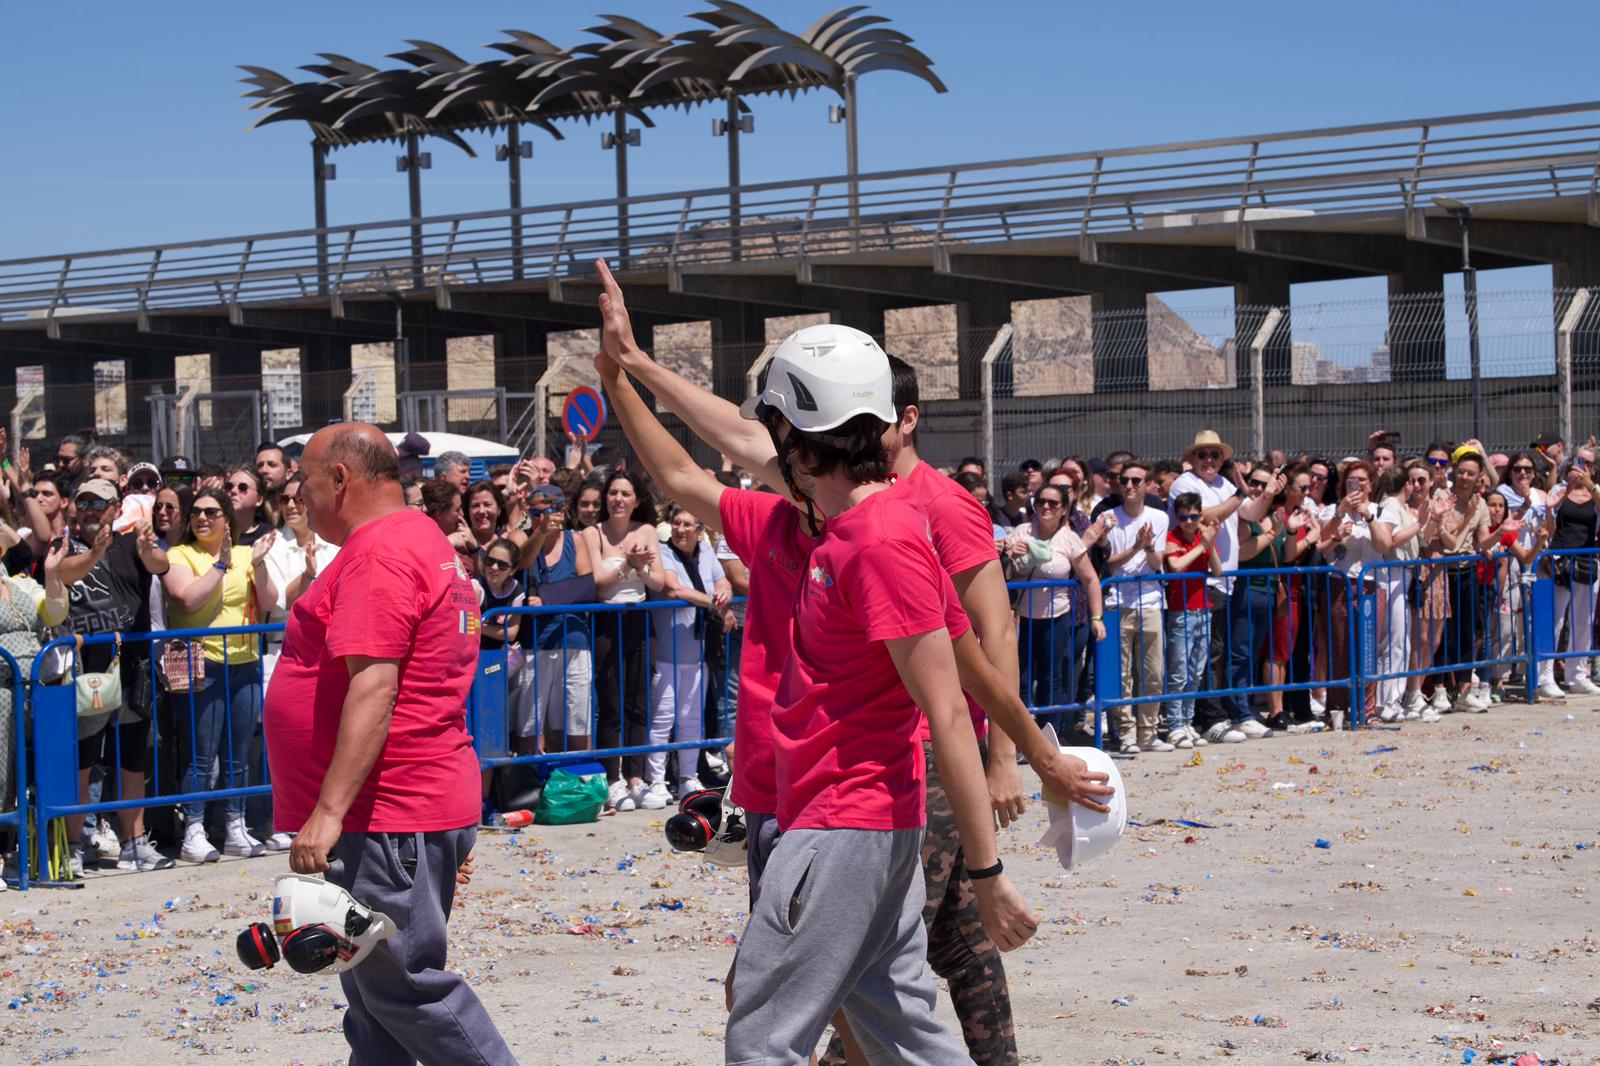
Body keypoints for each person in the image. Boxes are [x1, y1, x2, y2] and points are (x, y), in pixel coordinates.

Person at [595, 262, 1112, 1066]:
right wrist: (624, 371)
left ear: (799, 440)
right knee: (896, 1025)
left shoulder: (882, 538)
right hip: (840, 815)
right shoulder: (828, 518)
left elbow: (959, 690)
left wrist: (990, 864)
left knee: (763, 1031)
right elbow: (696, 463)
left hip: (846, 818)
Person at [263, 423, 519, 1066]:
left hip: (389, 809)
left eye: (307, 483)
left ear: (341, 479)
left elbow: (375, 690)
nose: (300, 498)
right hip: (401, 805)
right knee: (373, 998)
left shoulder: (380, 552)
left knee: (402, 986)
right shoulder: (419, 539)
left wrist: (327, 811)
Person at [53, 477, 170, 877]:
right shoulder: (63, 545)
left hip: (132, 666)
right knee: (83, 764)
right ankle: (73, 846)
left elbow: (161, 566)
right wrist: (94, 553)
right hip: (87, 673)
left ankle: (135, 844)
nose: (89, 510)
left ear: (115, 508)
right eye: (82, 503)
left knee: (132, 761)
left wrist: (148, 548)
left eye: (98, 504)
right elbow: (64, 574)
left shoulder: (132, 544)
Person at [162, 487, 278, 862]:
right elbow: (187, 599)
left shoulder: (248, 553)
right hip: (201, 663)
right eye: (196, 512)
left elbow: (270, 602)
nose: (202, 518)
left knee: (238, 754)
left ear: (227, 518)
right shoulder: (179, 554)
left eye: (211, 512)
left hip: (244, 661)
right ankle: (193, 829)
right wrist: (221, 565)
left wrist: (257, 565)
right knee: (200, 755)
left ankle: (234, 825)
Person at [1167, 431, 1277, 744]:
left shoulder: (1224, 486)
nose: (1210, 461)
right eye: (1203, 455)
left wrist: (1265, 495)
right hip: (1203, 580)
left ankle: (1209, 715)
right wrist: (1240, 496)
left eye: (1216, 455)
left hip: (1225, 576)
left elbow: (1250, 514)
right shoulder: (1185, 484)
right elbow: (1203, 515)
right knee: (1199, 656)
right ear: (1192, 458)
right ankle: (1206, 718)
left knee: (1214, 652)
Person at [582, 469, 665, 810]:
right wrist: (628, 565)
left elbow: (658, 582)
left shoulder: (646, 531)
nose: (617, 499)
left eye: (625, 493)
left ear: (637, 501)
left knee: (638, 703)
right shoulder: (593, 532)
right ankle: (612, 777)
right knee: (611, 704)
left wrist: (640, 569)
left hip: (639, 619)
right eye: (612, 493)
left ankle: (636, 777)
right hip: (606, 621)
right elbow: (598, 581)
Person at [643, 506, 730, 805]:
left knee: (691, 719)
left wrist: (724, 591)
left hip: (699, 651)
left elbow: (722, 579)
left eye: (686, 524)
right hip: (669, 651)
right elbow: (674, 588)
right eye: (675, 523)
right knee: (662, 718)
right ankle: (655, 779)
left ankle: (687, 777)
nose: (680, 529)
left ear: (699, 530)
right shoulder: (664, 553)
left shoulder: (706, 551)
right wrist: (713, 603)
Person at [519, 484, 596, 756]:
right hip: (535, 643)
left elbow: (587, 586)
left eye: (548, 510)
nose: (542, 516)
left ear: (562, 512)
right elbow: (522, 561)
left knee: (576, 720)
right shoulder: (522, 535)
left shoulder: (576, 540)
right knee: (530, 724)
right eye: (535, 511)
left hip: (573, 639)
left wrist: (548, 598)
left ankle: (577, 787)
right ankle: (531, 784)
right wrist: (540, 533)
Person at [1101, 460, 1168, 753]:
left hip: (1150, 600)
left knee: (1154, 672)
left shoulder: (1159, 517)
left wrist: (1149, 546)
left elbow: (1157, 564)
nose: (1129, 486)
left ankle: (1148, 732)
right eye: (1125, 480)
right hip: (1117, 601)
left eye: (1136, 481)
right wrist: (1136, 547)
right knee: (1121, 674)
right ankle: (1126, 733)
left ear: (1146, 485)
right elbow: (1108, 563)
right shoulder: (1108, 517)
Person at [1161, 497, 1222, 749]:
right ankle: (1175, 724)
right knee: (1179, 672)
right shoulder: (1172, 537)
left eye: (1194, 517)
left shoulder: (1202, 536)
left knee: (1196, 671)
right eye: (1184, 517)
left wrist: (1211, 543)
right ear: (1177, 517)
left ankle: (1187, 721)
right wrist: (1201, 546)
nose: (1189, 522)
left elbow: (1216, 570)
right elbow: (1175, 566)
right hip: (1180, 611)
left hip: (1203, 608)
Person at [1537, 463, 1599, 699]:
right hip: (1560, 560)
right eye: (1576, 464)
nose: (1580, 469)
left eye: (1586, 465)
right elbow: (1549, 531)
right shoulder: (1559, 491)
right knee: (1555, 621)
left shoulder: (1595, 492)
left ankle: (1577, 675)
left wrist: (1589, 484)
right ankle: (1545, 677)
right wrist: (1552, 509)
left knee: (1583, 621)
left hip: (1586, 562)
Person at [226, 467, 275, 546]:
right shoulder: (216, 532)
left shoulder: (269, 536)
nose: (233, 491)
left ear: (259, 500)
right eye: (229, 486)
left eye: (243, 487)